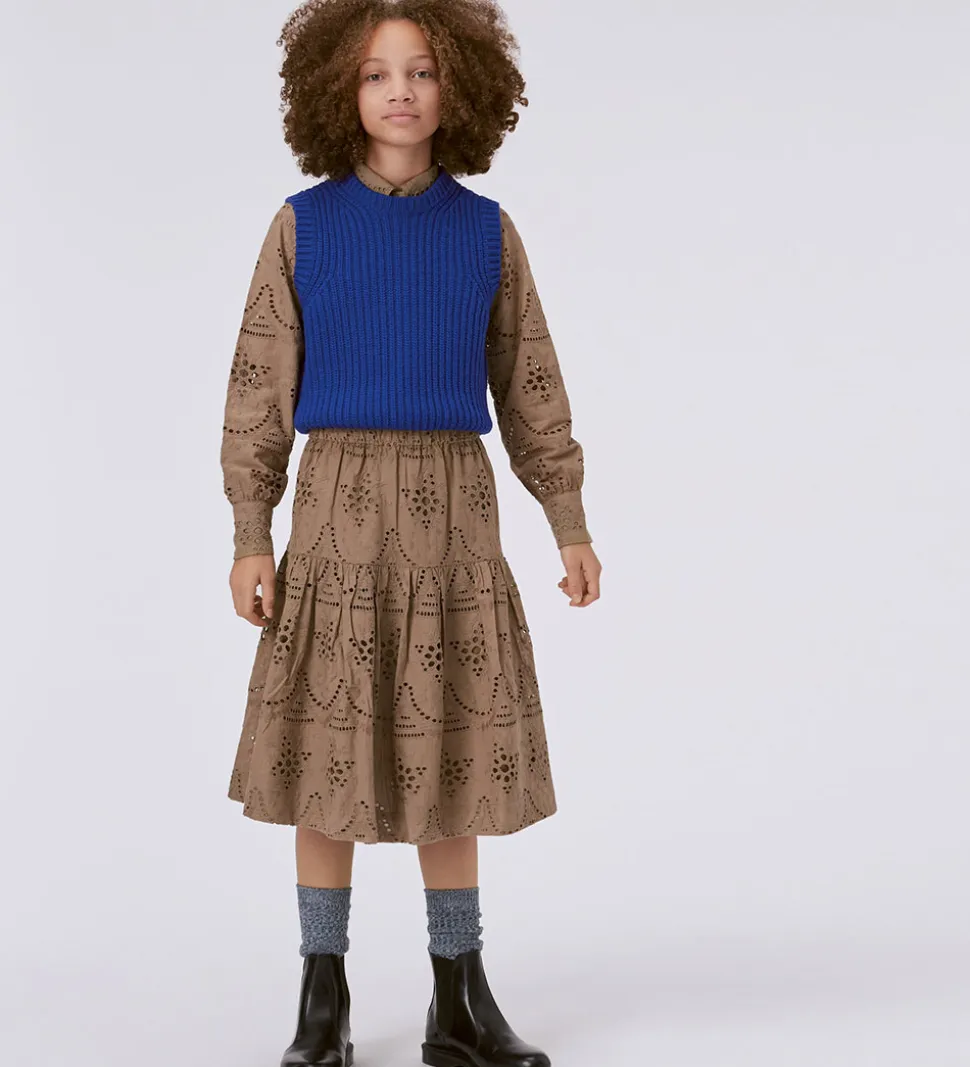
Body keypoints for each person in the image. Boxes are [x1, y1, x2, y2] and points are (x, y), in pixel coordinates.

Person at [219, 3, 602, 1065]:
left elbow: (530, 382)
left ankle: (458, 998)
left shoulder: (486, 232)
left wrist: (567, 518)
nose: (400, 91)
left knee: (452, 751)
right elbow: (257, 386)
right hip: (334, 513)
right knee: (324, 757)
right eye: (376, 73)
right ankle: (323, 998)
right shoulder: (302, 226)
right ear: (337, 91)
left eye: (423, 71)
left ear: (459, 88)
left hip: (454, 519)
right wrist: (251, 530)